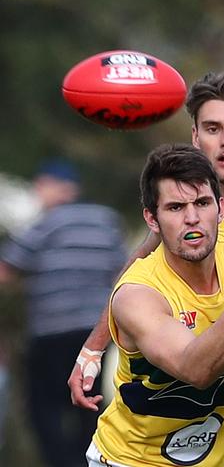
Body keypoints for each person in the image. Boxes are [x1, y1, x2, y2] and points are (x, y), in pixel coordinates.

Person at [69, 71, 224, 466]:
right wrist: (93, 347)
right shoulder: (154, 268)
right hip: (152, 443)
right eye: (212, 128)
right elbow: (138, 280)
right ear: (154, 218)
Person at [86, 144, 224, 467]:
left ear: (221, 209)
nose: (192, 218)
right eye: (175, 207)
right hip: (132, 461)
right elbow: (196, 371)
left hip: (219, 459)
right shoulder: (137, 294)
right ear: (152, 219)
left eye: (202, 203)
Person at [0, 159, 126, 467]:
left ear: (49, 186)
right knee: (90, 407)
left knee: (45, 410)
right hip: (95, 334)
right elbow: (123, 274)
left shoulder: (47, 222)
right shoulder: (105, 221)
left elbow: (5, 270)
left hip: (51, 332)